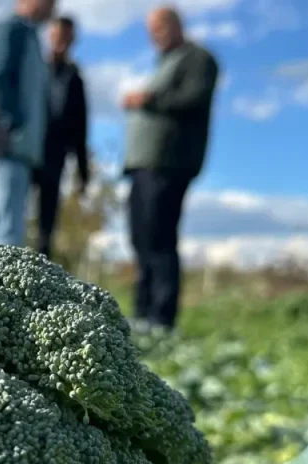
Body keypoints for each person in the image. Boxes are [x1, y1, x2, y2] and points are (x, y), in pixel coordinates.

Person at [120, 5, 220, 333]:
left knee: (160, 237)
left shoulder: (198, 59)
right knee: (140, 238)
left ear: (176, 26)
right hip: (143, 165)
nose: (154, 38)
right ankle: (142, 314)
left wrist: (147, 100)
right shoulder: (164, 63)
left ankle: (162, 320)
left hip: (169, 163)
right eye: (151, 32)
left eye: (159, 30)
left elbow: (191, 100)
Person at [0, 0, 57, 247]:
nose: (54, 10)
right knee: (5, 232)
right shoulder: (13, 30)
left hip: (15, 149)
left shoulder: (29, 36)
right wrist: (15, 124)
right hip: (6, 146)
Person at [32, 15, 90, 260]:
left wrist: (82, 170)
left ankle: (37, 272)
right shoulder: (33, 70)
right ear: (49, 35)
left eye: (67, 37)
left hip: (55, 156)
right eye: (57, 35)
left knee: (46, 224)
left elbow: (80, 126)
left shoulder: (74, 78)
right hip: (26, 151)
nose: (61, 41)